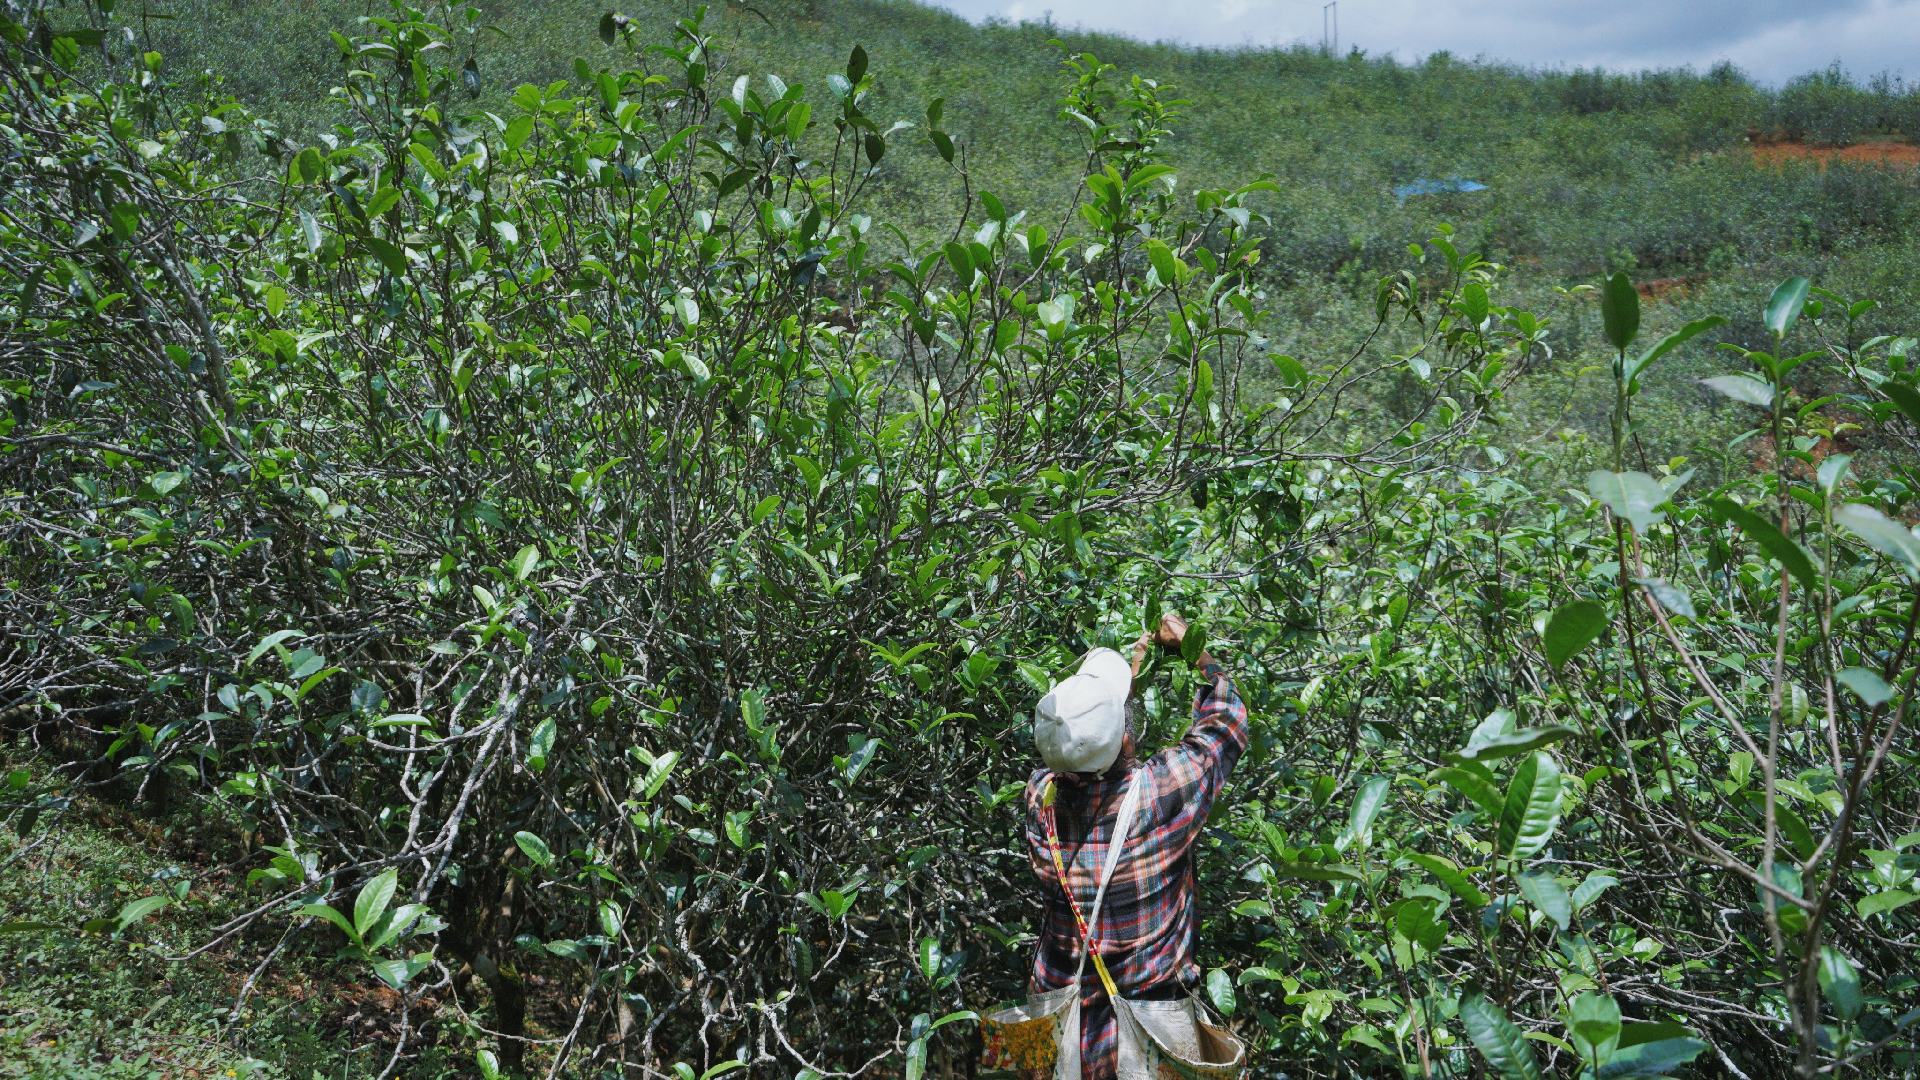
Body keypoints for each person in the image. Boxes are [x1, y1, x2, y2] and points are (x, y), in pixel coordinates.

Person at [1023, 612, 1250, 1079]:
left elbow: (1076, 752)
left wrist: (1114, 689)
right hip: (1148, 1032)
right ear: (1127, 737)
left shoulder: (1037, 798)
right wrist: (1196, 653)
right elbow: (1227, 720)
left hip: (1065, 1039)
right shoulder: (1160, 796)